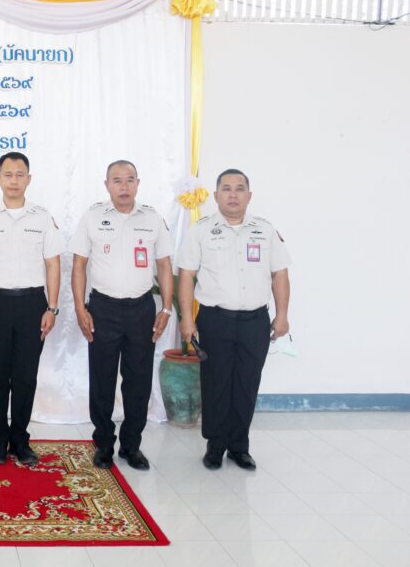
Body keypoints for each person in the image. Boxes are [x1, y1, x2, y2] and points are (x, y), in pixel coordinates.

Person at [177, 169, 291, 470]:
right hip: (216, 319)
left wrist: (282, 315)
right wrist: (187, 319)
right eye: (226, 189)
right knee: (215, 383)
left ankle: (239, 447)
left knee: (246, 383)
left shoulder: (265, 230)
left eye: (239, 189)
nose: (233, 194)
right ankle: (215, 446)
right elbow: (186, 275)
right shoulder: (201, 230)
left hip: (255, 321)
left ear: (249, 196)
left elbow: (280, 273)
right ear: (216, 195)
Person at [70, 160, 173, 471]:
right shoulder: (93, 217)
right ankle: (103, 444)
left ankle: (131, 445)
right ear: (107, 185)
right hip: (103, 309)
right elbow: (78, 265)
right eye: (117, 180)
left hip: (142, 309)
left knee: (138, 380)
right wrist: (80, 308)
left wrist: (166, 308)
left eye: (130, 180)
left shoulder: (152, 218)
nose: (124, 186)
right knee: (102, 379)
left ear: (138, 183)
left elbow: (165, 265)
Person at [0, 152, 62, 466]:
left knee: (25, 377)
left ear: (29, 179)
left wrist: (52, 308)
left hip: (33, 304)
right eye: (8, 175)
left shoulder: (42, 217)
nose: (14, 181)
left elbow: (53, 264)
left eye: (20, 174)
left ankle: (20, 439)